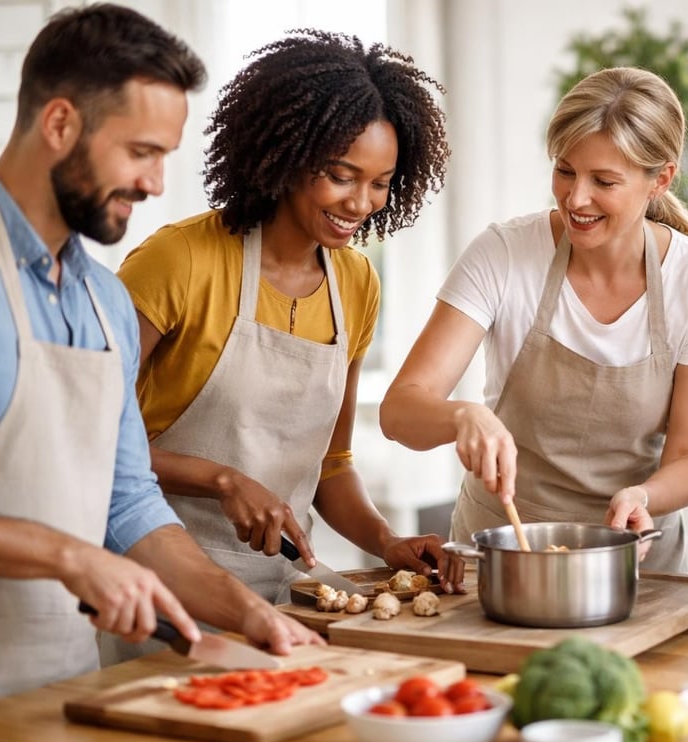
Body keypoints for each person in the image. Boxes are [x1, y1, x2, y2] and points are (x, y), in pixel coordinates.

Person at [0, 2, 321, 708]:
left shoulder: (105, 303)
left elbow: (129, 505)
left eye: (164, 156)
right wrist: (69, 557)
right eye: (141, 152)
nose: (155, 184)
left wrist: (250, 613)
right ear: (59, 124)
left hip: (65, 689)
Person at [115, 29, 459, 621]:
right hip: (158, 583)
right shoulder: (178, 261)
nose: (360, 203)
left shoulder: (357, 285)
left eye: (380, 183)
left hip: (283, 590)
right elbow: (93, 440)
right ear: (290, 153)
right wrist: (223, 480)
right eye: (341, 174)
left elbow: (331, 465)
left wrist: (385, 543)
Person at [380, 67, 688, 571]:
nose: (576, 198)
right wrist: (463, 415)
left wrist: (644, 496)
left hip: (633, 569)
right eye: (565, 170)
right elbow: (400, 412)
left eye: (605, 181)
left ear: (659, 179)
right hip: (501, 555)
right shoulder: (505, 254)